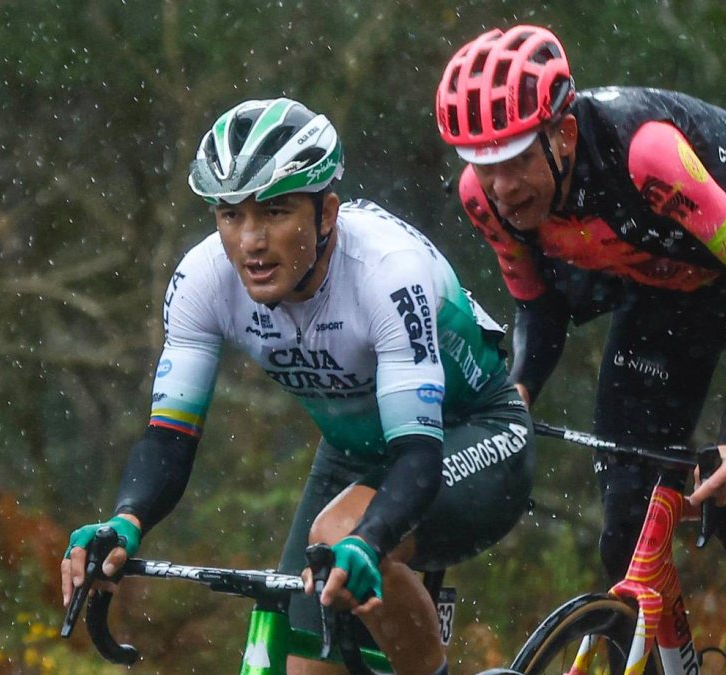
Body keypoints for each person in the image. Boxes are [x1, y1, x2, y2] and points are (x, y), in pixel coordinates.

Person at [435, 25, 726, 671]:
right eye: (482, 164)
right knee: (624, 532)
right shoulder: (485, 199)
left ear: (564, 134)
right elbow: (540, 308)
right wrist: (512, 398)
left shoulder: (647, 156)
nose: (500, 187)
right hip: (667, 289)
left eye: (516, 160)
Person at [60, 97, 535, 675]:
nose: (250, 241)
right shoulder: (202, 280)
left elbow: (416, 453)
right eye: (230, 215)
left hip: (471, 435)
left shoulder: (388, 272)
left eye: (275, 212)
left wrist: (368, 539)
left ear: (326, 213)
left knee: (338, 534)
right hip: (355, 453)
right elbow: (169, 437)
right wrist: (125, 522)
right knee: (305, 665)